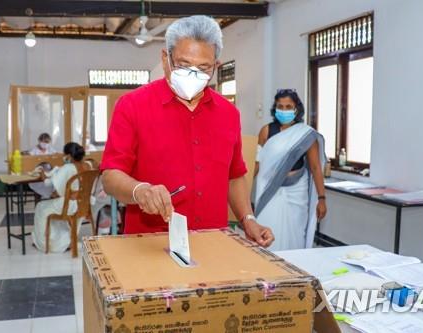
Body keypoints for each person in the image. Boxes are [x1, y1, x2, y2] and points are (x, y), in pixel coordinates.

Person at [101, 15, 274, 247]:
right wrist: (139, 190)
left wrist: (248, 218)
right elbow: (110, 177)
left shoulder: (228, 114)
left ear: (216, 66)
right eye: (183, 65)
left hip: (212, 241)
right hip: (150, 243)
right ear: (165, 59)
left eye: (203, 67)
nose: (193, 75)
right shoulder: (132, 106)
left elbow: (234, 176)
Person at [254, 89, 327, 251]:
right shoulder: (266, 131)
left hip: (296, 191)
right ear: (275, 108)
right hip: (270, 189)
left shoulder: (305, 134)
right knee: (267, 226)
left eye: (288, 107)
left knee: (295, 231)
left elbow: (315, 167)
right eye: (280, 106)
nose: (284, 110)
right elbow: (257, 163)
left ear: (296, 109)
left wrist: (322, 198)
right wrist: (242, 190)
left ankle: (295, 266)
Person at [31, 142, 85, 253]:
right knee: (51, 205)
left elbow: (48, 184)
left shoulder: (68, 167)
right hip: (82, 203)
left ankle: (44, 244)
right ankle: (63, 240)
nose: (63, 157)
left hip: (69, 205)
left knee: (41, 207)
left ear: (69, 156)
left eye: (64, 154)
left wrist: (42, 174)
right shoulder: (83, 166)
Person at [29, 133, 57, 198]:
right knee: (42, 185)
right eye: (42, 141)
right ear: (39, 141)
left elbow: (57, 157)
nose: (44, 143)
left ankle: (52, 196)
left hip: (50, 173)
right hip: (38, 174)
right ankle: (48, 196)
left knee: (54, 183)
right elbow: (30, 162)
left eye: (47, 142)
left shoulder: (50, 149)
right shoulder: (34, 150)